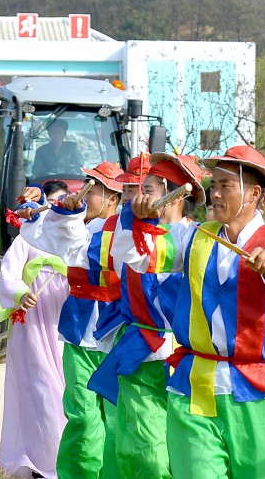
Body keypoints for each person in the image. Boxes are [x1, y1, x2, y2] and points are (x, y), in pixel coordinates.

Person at [120, 145, 265, 479]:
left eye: (226, 185)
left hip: (259, 388)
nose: (215, 193)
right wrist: (140, 220)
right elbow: (141, 257)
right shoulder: (193, 236)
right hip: (196, 383)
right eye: (214, 185)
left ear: (253, 193)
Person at [93, 152, 205, 478]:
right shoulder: (126, 235)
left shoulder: (203, 238)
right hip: (143, 353)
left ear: (174, 196)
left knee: (189, 457)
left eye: (150, 190)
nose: (139, 197)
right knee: (147, 454)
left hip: (191, 364)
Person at [18, 161, 125, 479]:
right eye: (85, 186)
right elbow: (40, 238)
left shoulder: (125, 232)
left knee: (119, 420)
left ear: (112, 199)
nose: (84, 195)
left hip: (117, 336)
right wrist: (34, 207)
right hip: (80, 334)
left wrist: (59, 216)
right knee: (82, 416)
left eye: (93, 190)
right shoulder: (75, 225)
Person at [0, 180, 70, 479]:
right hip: (32, 323)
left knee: (65, 389)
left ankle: (62, 459)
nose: (56, 207)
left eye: (62, 201)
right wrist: (18, 294)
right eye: (51, 201)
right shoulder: (26, 239)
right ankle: (42, 462)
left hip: (63, 323)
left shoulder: (72, 236)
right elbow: (7, 274)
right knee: (40, 390)